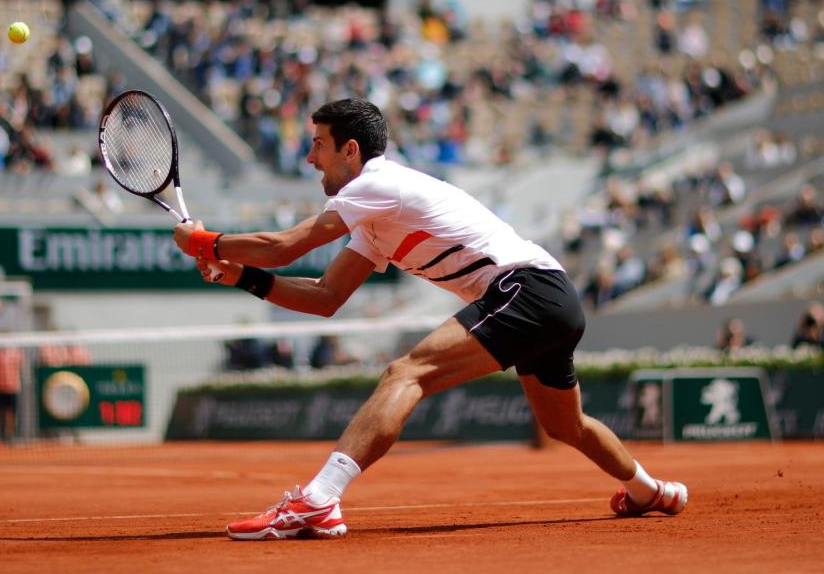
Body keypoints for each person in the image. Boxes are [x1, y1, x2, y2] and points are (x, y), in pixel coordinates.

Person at [174, 98, 687, 541]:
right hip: (552, 298)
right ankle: (650, 491)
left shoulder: (376, 184)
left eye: (318, 145)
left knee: (406, 372)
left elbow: (286, 247)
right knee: (564, 424)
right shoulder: (373, 217)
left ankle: (319, 498)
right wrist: (238, 273)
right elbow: (326, 296)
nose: (310, 158)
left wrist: (204, 242)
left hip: (524, 288)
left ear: (350, 150)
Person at [0, 341, 24, 441]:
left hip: (12, 388)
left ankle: (10, 435)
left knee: (10, 412)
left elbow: (20, 366)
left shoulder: (16, 354)